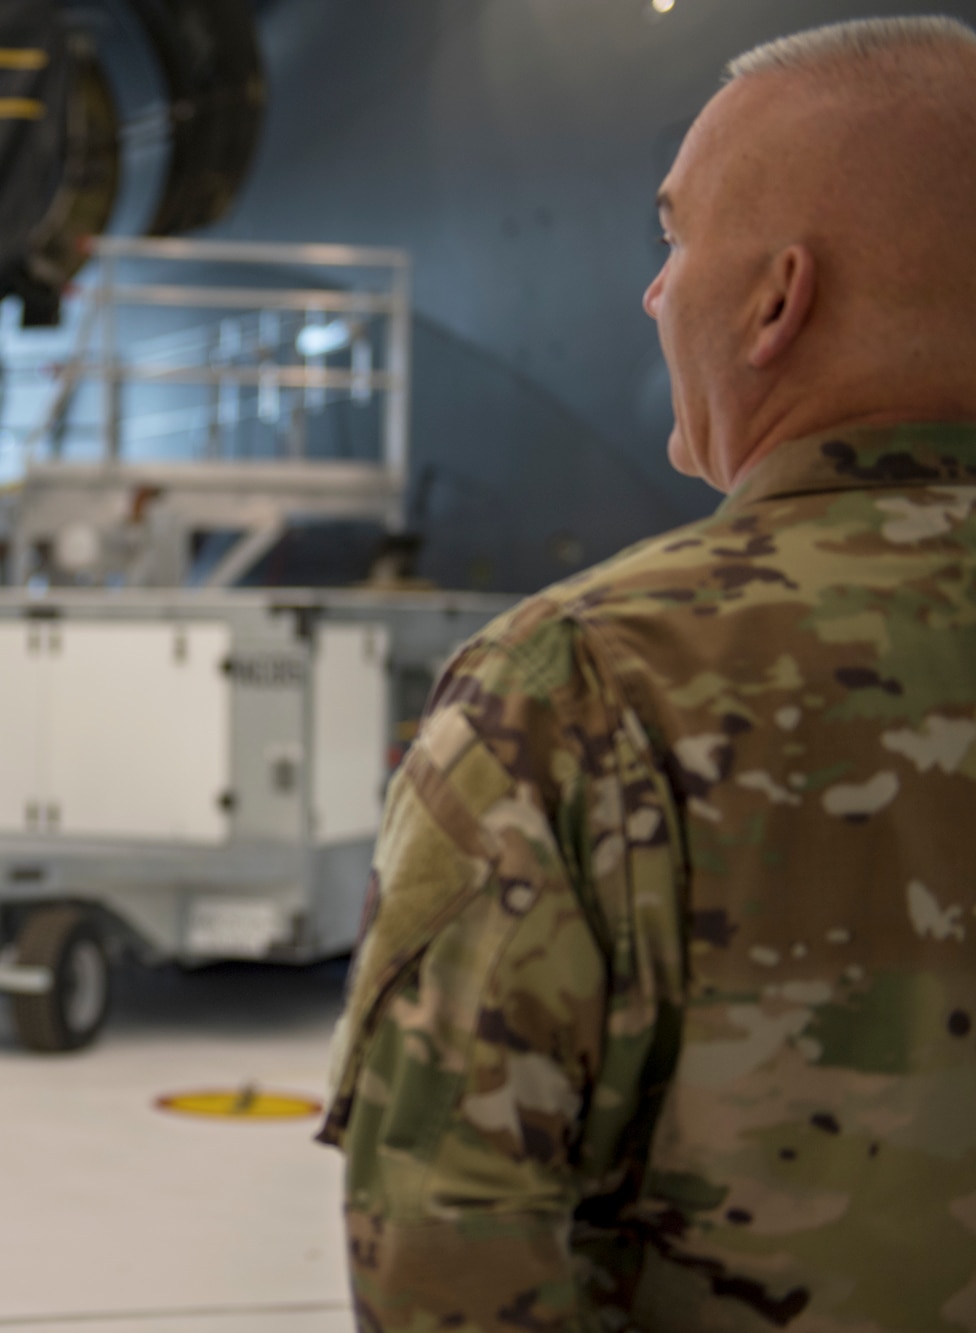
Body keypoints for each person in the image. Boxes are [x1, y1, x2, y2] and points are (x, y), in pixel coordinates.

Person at [318, 17, 976, 1331]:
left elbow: (448, 1246)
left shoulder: (583, 682)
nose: (654, 291)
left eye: (674, 239)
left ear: (779, 299)